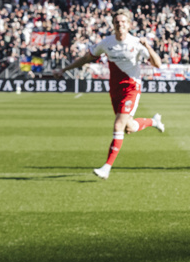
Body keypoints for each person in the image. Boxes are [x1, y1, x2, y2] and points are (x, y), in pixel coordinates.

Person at [54, 9, 165, 180]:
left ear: (129, 25)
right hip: (115, 90)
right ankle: (153, 121)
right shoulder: (106, 43)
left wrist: (148, 46)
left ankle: (106, 167)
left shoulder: (136, 43)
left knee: (118, 125)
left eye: (123, 22)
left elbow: (158, 64)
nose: (120, 24)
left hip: (131, 89)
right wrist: (64, 69)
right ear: (113, 25)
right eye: (117, 22)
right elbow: (86, 58)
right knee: (128, 127)